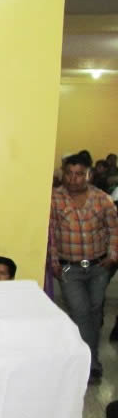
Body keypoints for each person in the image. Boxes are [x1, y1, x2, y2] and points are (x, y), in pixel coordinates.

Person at [49, 153, 118, 385]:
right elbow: (50, 233)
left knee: (95, 313)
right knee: (80, 313)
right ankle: (90, 365)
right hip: (70, 269)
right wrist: (54, 262)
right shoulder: (55, 199)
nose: (73, 179)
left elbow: (114, 230)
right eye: (69, 173)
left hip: (99, 267)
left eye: (79, 174)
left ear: (89, 174)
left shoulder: (102, 199)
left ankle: (86, 359)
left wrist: (112, 256)